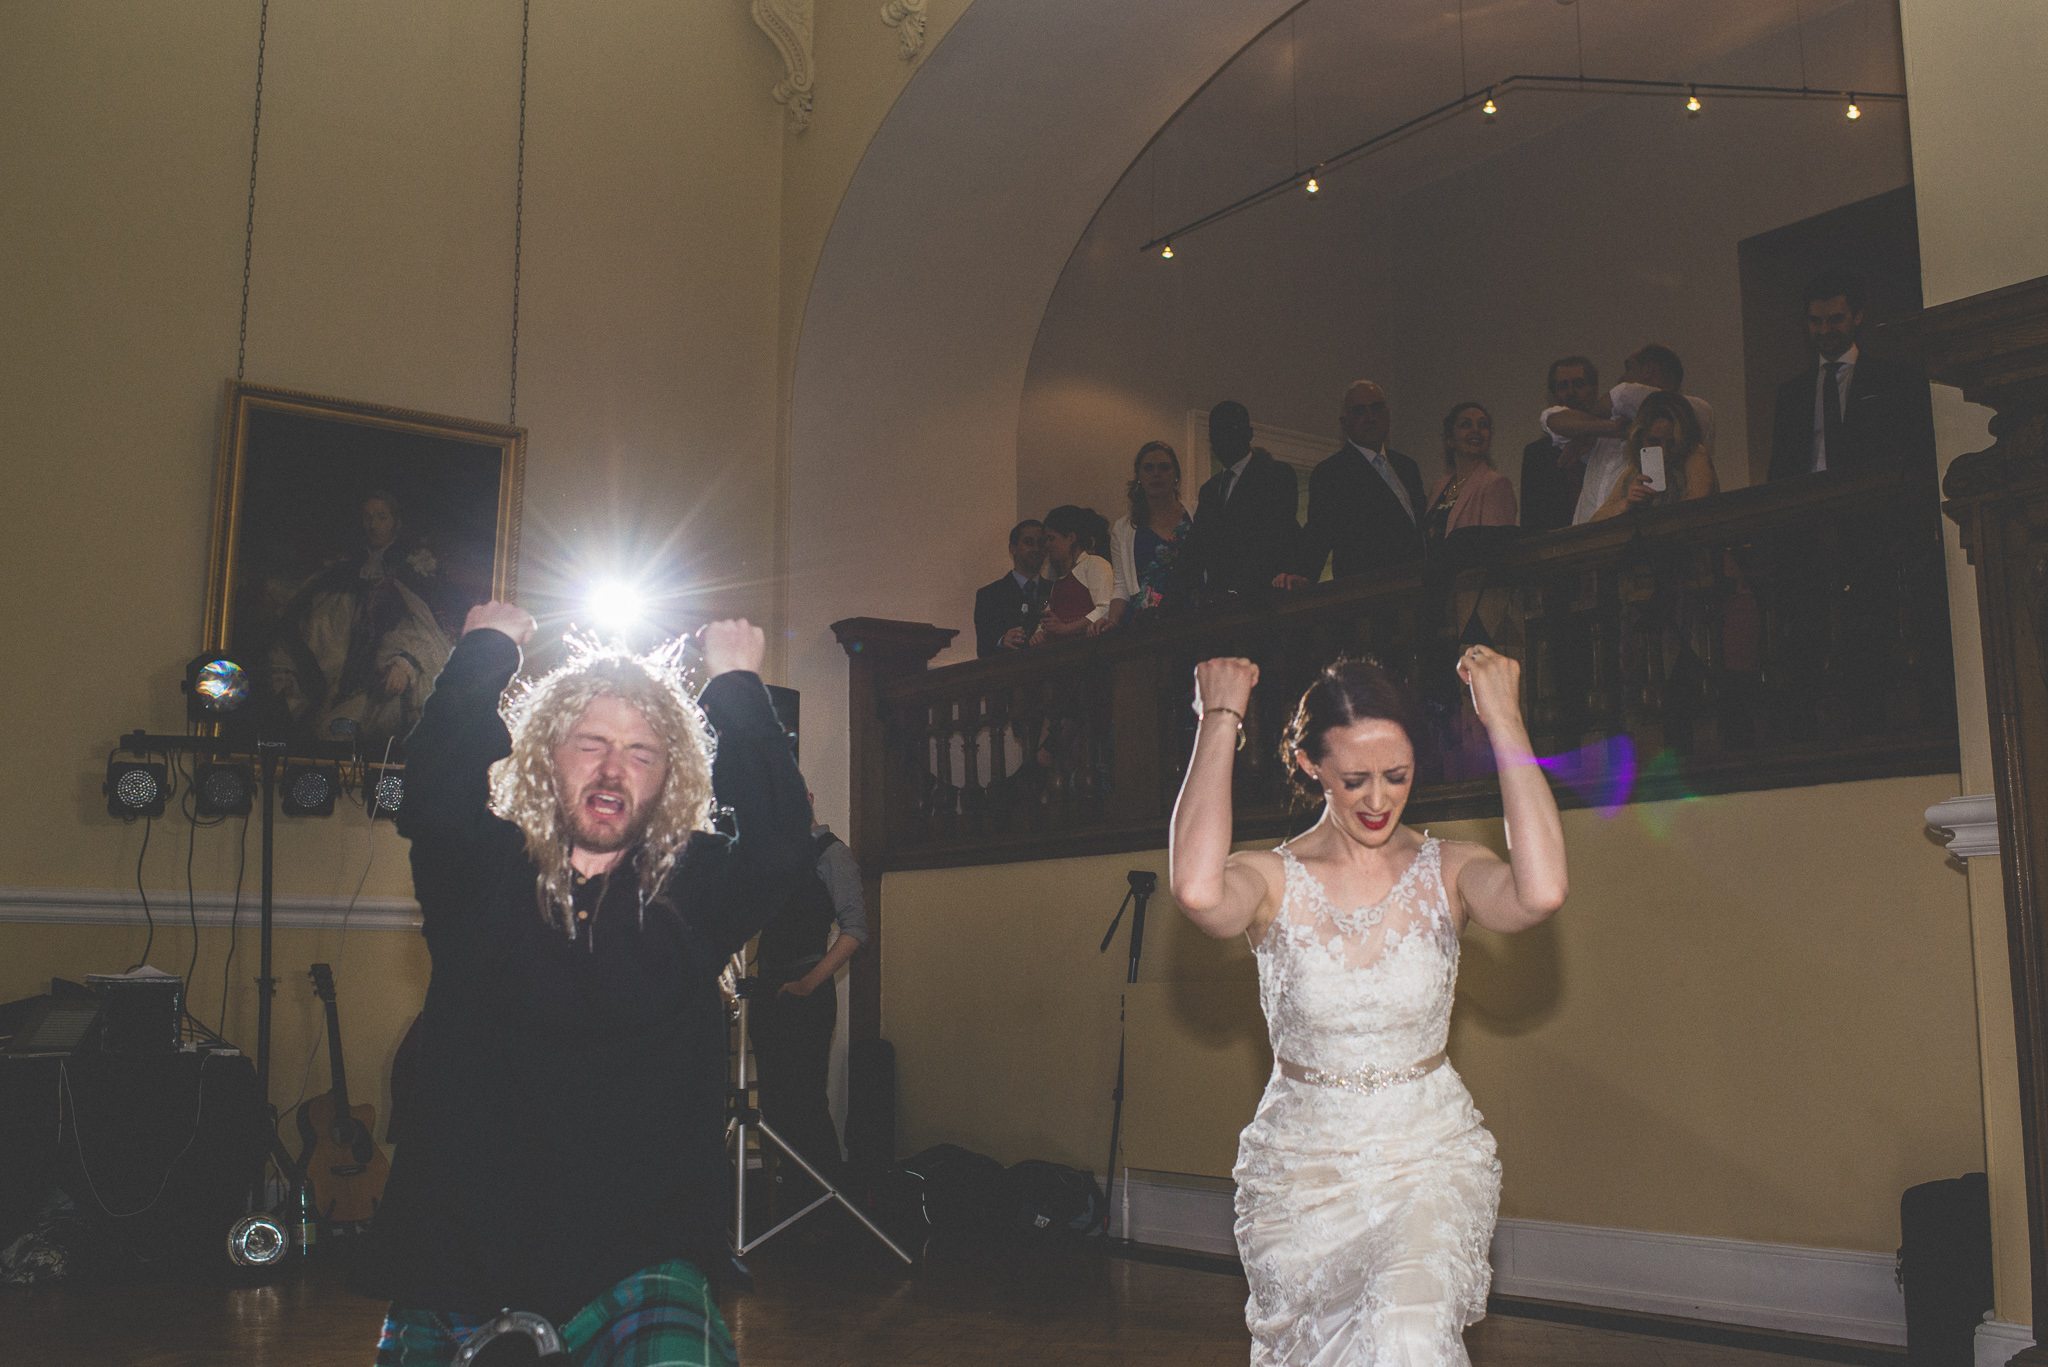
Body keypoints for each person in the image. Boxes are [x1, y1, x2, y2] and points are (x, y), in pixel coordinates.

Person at [361, 603, 815, 1367]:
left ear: (669, 775)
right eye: (593, 743)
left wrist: (737, 682)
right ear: (547, 755)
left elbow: (778, 850)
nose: (614, 768)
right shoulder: (480, 867)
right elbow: (434, 795)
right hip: (460, 1255)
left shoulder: (696, 886)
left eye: (642, 752)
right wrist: (483, 651)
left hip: (638, 1259)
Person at [1168, 649, 1566, 1363]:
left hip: (1426, 1159)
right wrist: (1219, 719)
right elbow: (1197, 891)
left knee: (1407, 1338)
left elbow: (1540, 892)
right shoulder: (1270, 880)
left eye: (1397, 775)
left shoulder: (1448, 870)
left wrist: (1504, 716)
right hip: (1302, 1175)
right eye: (1355, 779)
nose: (1378, 799)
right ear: (1311, 765)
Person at [268, 489, 453, 754]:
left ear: (395, 522)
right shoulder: (346, 569)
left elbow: (426, 630)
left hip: (384, 675)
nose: (374, 525)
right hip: (341, 668)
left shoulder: (412, 570)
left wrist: (404, 663)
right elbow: (318, 616)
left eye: (381, 517)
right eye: (368, 517)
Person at [751, 793, 869, 1206]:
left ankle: (826, 1210)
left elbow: (854, 931)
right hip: (769, 992)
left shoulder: (832, 854)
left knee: (805, 1105)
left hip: (806, 995)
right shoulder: (776, 861)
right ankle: (792, 1205)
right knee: (775, 1106)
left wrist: (807, 984)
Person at [1767, 269, 1936, 481]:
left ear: (1857, 317)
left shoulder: (1893, 380)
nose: (1824, 330)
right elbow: (1780, 469)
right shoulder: (1791, 394)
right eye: (1815, 321)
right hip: (1809, 504)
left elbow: (1913, 453)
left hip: (1873, 498)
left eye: (1835, 319)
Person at [1542, 345, 1715, 525]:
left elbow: (1625, 394)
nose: (1621, 378)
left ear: (1649, 371)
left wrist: (1587, 428)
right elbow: (1551, 419)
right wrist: (1608, 428)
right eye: (1652, 441)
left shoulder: (1697, 411)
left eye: (1628, 368)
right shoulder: (1630, 469)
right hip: (1594, 540)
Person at [1289, 379, 1426, 586]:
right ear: (1345, 423)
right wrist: (1302, 576)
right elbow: (1319, 532)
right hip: (1367, 594)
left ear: (1387, 415)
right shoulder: (1332, 473)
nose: (1370, 417)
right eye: (1360, 411)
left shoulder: (1407, 467)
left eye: (1376, 408)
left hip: (1416, 587)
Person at [1178, 401, 1300, 602]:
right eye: (1216, 432)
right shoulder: (1210, 490)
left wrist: (1238, 589)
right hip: (1219, 606)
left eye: (1231, 428)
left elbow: (1275, 537)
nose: (1223, 438)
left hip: (1263, 601)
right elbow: (1196, 549)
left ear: (1249, 433)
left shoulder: (1276, 475)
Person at [1585, 389, 1719, 520]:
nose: (1664, 452)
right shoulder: (1634, 471)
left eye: (1672, 443)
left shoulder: (1695, 455)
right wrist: (1626, 504)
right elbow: (1596, 520)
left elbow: (1697, 505)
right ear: (1640, 438)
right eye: (1654, 441)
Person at [1109, 441, 1193, 621]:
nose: (1157, 474)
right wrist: (1111, 621)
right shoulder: (1123, 529)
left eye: (1164, 467)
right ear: (1139, 476)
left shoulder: (1197, 514)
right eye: (1149, 468)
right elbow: (1121, 587)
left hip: (1193, 616)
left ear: (1176, 475)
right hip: (1145, 624)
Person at [1421, 402, 1518, 550]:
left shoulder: (1496, 484)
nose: (1476, 430)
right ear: (1450, 439)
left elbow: (1496, 550)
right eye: (1466, 425)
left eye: (1483, 425)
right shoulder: (1438, 487)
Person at [1519, 357, 1598, 533]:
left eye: (1578, 384)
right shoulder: (1537, 455)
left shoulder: (1607, 443)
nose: (1571, 393)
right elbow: (1531, 519)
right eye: (1563, 386)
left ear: (1593, 390)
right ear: (1553, 395)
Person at [1033, 504, 1117, 641]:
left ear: (1071, 538)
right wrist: (1039, 633)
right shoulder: (1059, 579)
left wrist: (1066, 628)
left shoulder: (1094, 564)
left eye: (1051, 538)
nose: (1047, 545)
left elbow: (1105, 608)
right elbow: (1049, 616)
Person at [973, 519, 1049, 657]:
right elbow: (983, 648)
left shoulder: (1055, 590)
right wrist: (1002, 640)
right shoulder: (989, 595)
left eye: (1041, 543)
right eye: (1028, 542)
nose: (1036, 549)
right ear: (1012, 548)